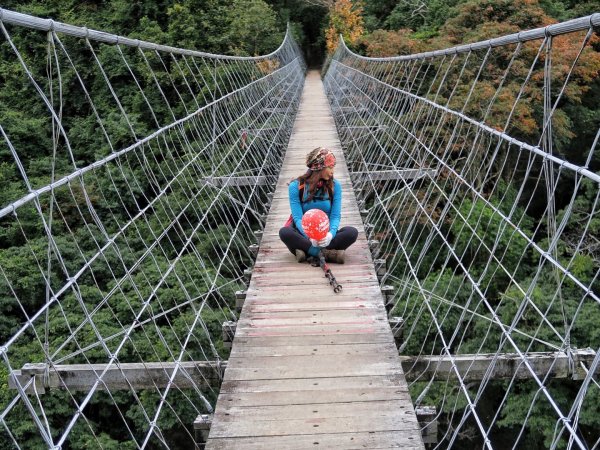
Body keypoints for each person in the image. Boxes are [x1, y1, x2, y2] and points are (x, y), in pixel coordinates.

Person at [279, 147, 358, 264]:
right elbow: (298, 218)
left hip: (325, 234)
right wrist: (309, 237)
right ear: (319, 167)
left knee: (352, 233)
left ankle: (306, 252)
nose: (333, 171)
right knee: (285, 232)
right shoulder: (296, 187)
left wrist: (330, 235)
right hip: (303, 233)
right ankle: (327, 254)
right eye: (330, 167)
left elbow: (335, 216)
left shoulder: (335, 186)